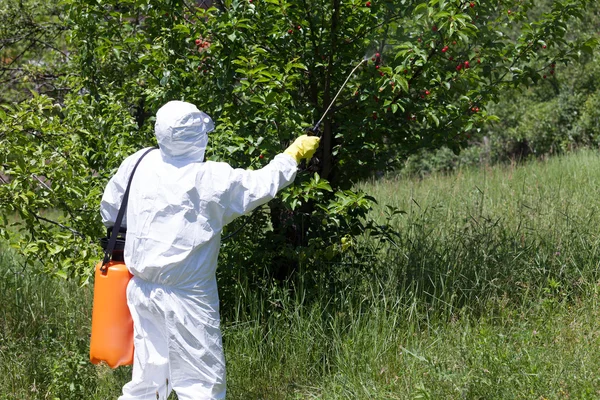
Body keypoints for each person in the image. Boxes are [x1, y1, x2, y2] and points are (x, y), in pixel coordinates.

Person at [100, 100, 320, 399]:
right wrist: (292, 155)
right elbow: (261, 184)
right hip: (188, 297)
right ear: (196, 136)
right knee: (201, 385)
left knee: (148, 381)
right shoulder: (211, 178)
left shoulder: (139, 161)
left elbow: (110, 213)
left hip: (141, 290)